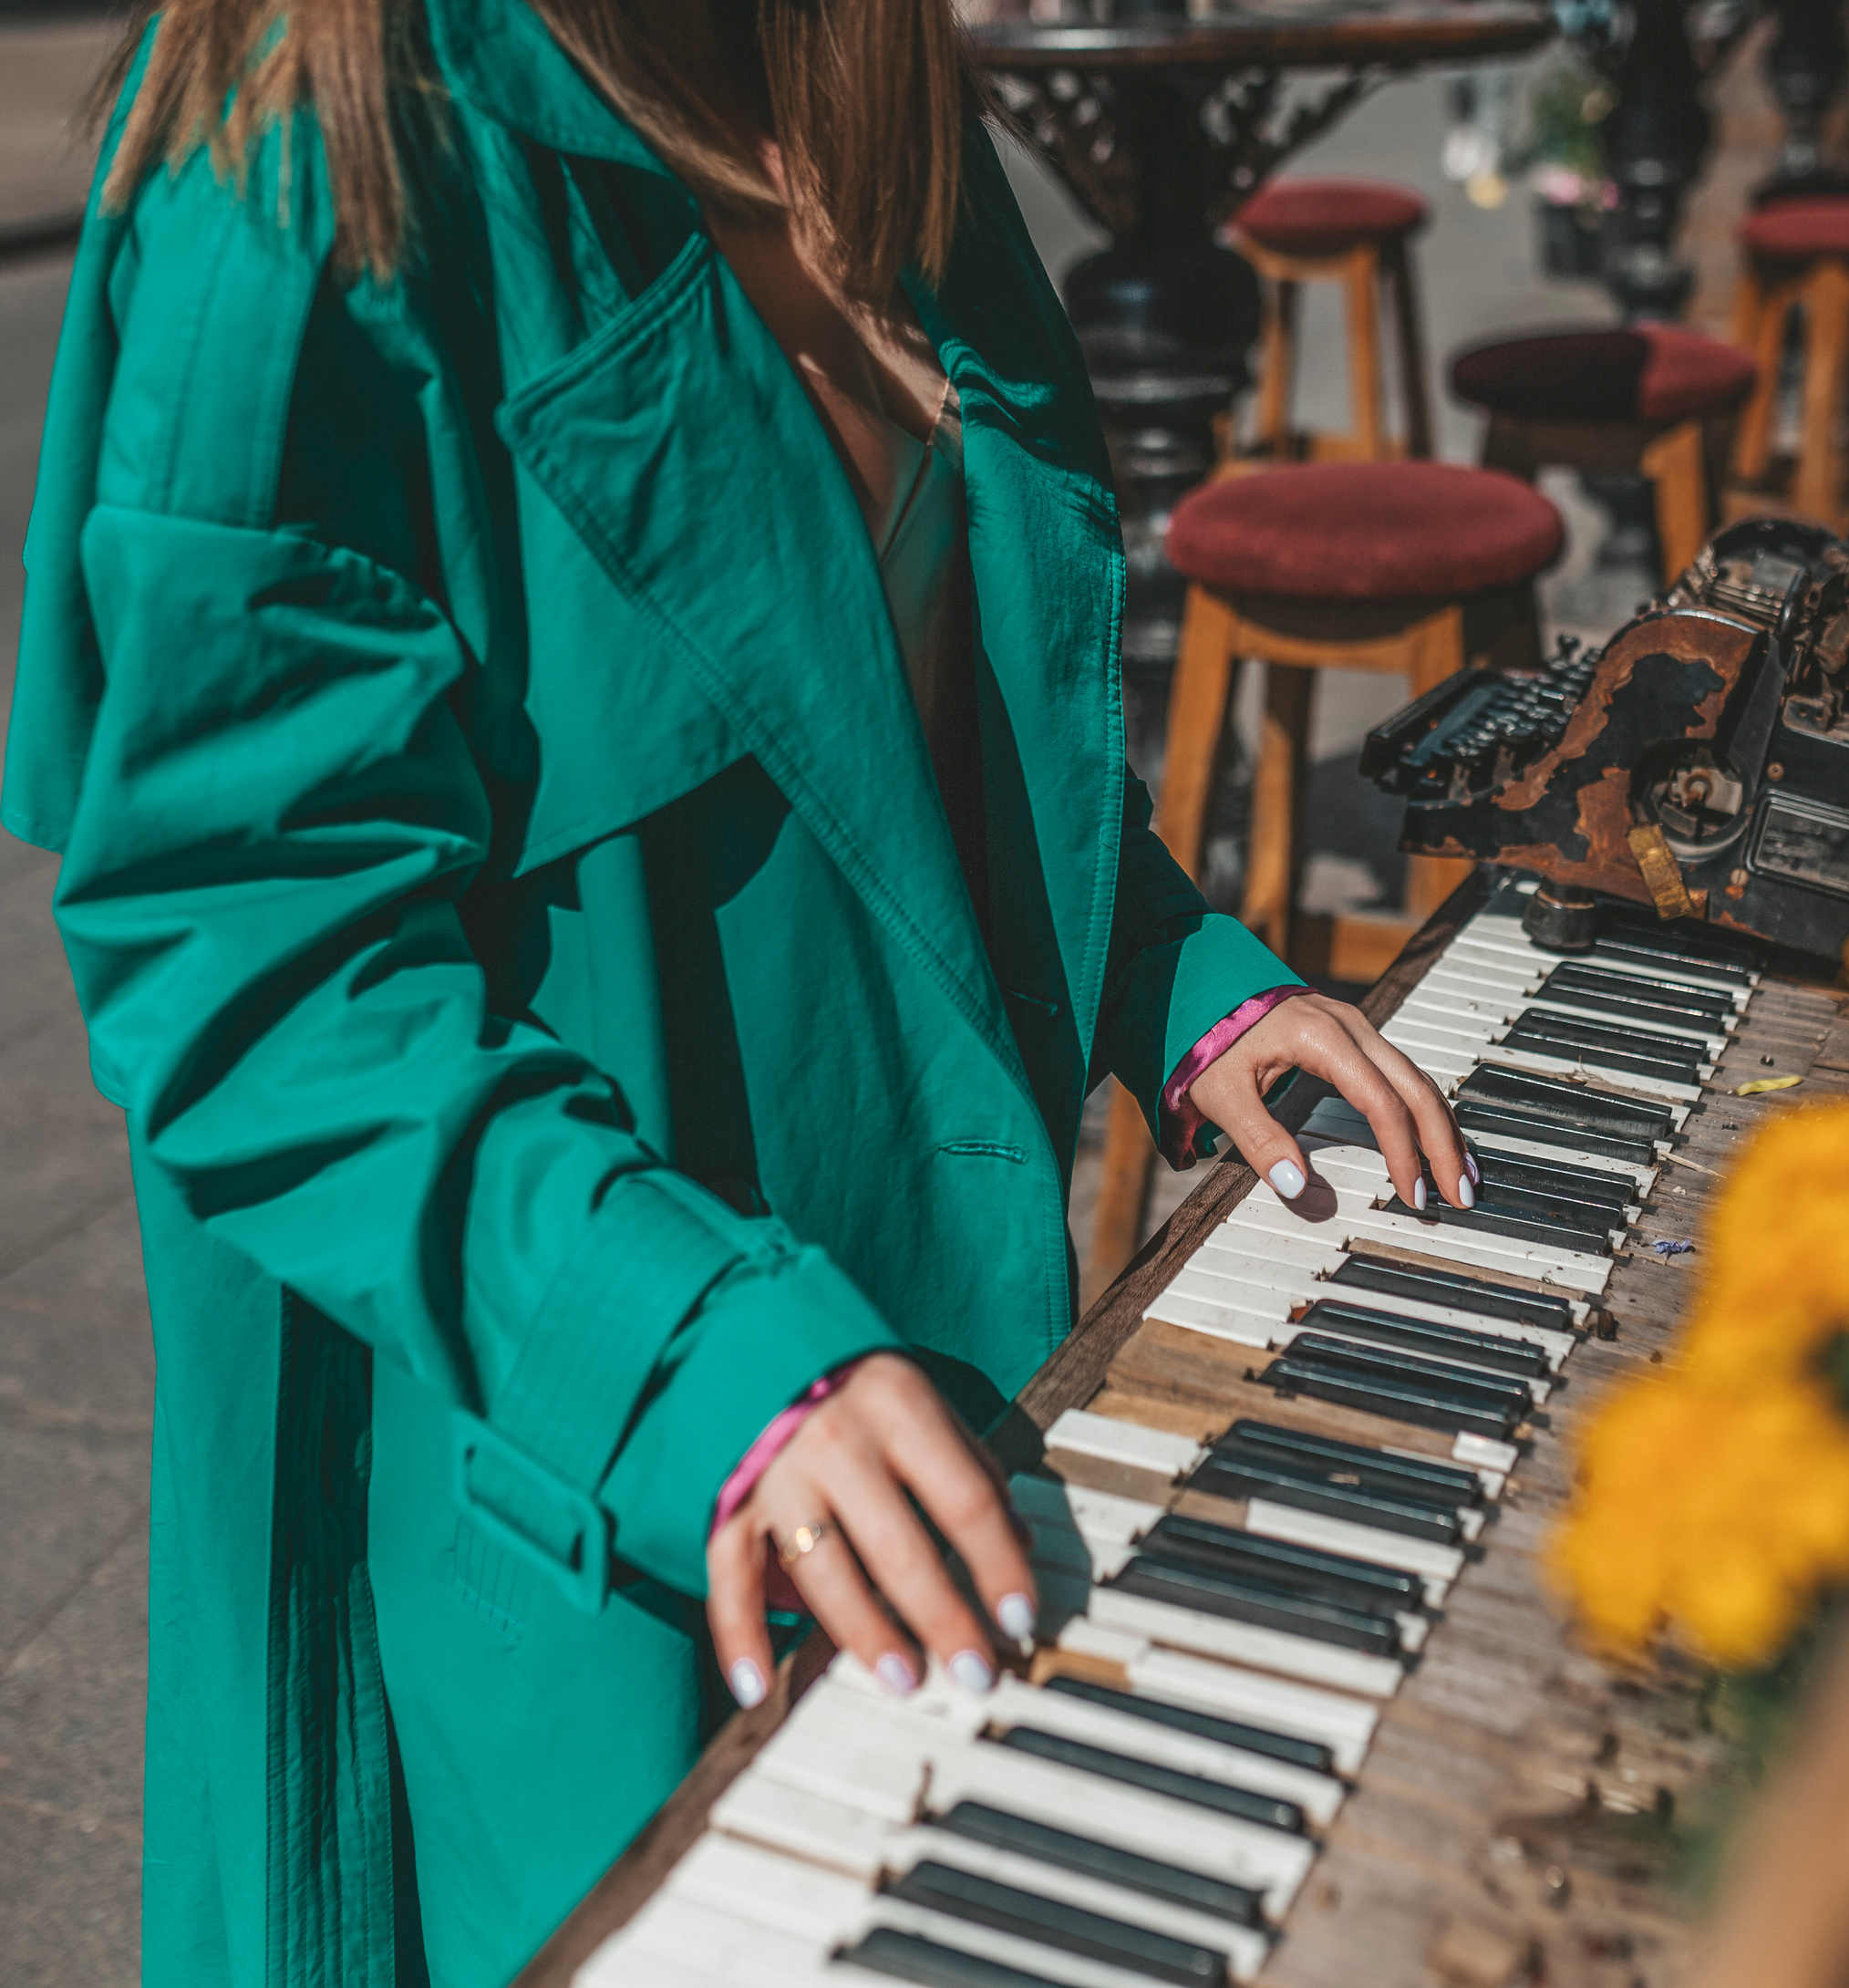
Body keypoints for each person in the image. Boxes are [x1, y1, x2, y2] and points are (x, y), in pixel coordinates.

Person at [4, 2, 1481, 1982]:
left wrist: (1178, 982)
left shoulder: (852, 72)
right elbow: (253, 958)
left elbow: (917, 734)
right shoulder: (307, 147)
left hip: (923, 1425)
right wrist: (701, 1352)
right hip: (585, 1504)